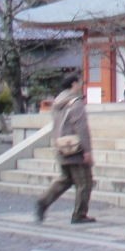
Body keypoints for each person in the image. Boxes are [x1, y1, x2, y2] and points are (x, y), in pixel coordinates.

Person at [35, 71, 96, 224]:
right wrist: (87, 150)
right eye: (80, 82)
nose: (81, 85)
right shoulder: (75, 103)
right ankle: (79, 214)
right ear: (73, 84)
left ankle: (43, 201)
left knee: (66, 179)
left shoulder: (57, 103)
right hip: (75, 148)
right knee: (85, 183)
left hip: (61, 146)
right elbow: (81, 127)